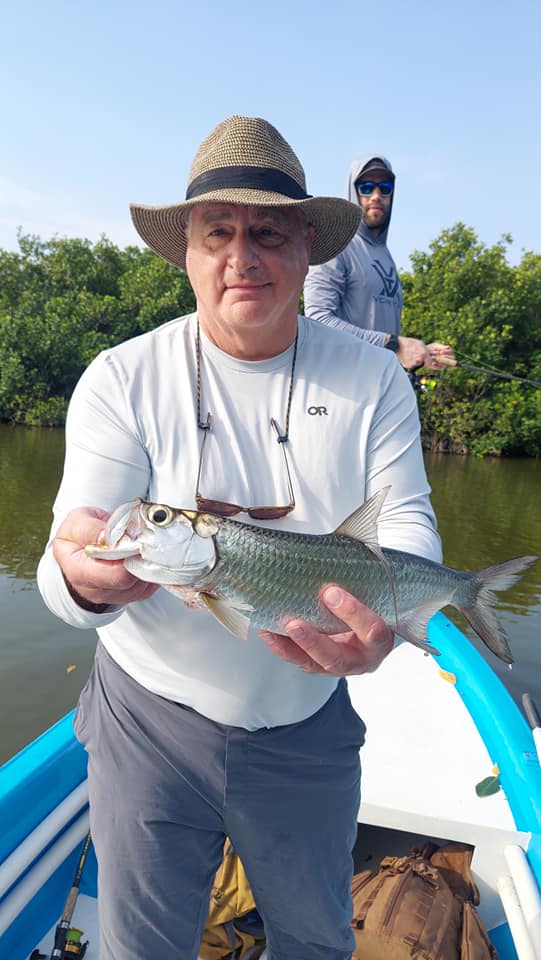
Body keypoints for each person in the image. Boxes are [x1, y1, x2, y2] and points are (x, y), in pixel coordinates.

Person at [37, 116, 442, 960]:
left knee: (317, 941)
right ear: (185, 250)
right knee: (139, 948)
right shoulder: (121, 377)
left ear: (306, 246)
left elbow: (406, 523)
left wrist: (388, 630)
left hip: (306, 723)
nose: (240, 256)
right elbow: (67, 554)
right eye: (216, 232)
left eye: (265, 231)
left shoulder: (372, 378)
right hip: (145, 719)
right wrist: (80, 581)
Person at [303, 153, 455, 371]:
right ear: (353, 192)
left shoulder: (385, 255)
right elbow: (318, 320)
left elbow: (382, 334)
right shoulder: (335, 246)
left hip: (383, 388)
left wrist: (420, 351)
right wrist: (392, 344)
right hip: (346, 391)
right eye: (366, 187)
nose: (376, 195)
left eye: (384, 187)